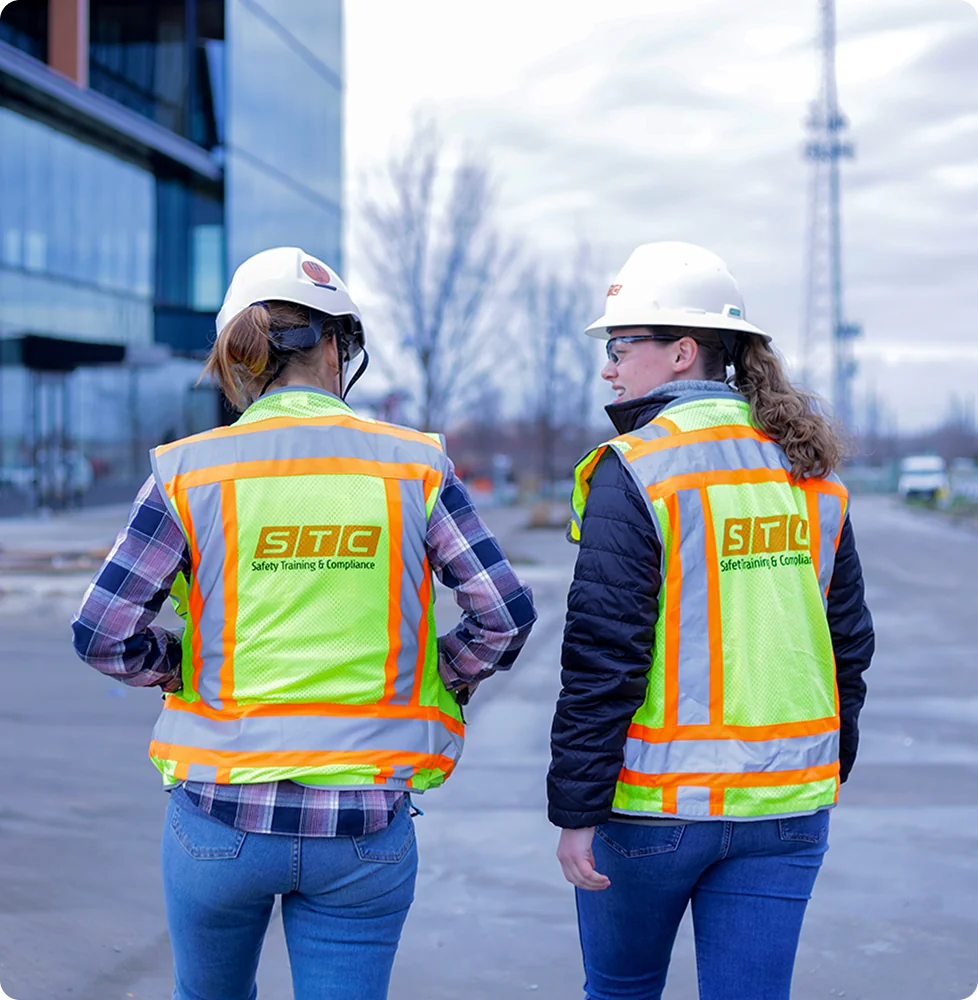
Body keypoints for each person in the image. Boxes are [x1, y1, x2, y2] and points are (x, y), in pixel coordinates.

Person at [72, 247, 536, 1000]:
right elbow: (504, 614)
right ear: (335, 346)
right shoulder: (412, 467)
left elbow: (101, 631)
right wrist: (440, 673)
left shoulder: (190, 472)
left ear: (244, 354)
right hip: (364, 831)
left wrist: (179, 664)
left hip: (220, 822)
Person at [548, 242, 874, 1000]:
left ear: (682, 353)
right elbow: (847, 645)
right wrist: (827, 767)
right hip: (788, 805)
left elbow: (603, 654)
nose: (609, 367)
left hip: (655, 807)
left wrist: (575, 809)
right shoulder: (808, 472)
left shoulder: (636, 467)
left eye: (621, 346)